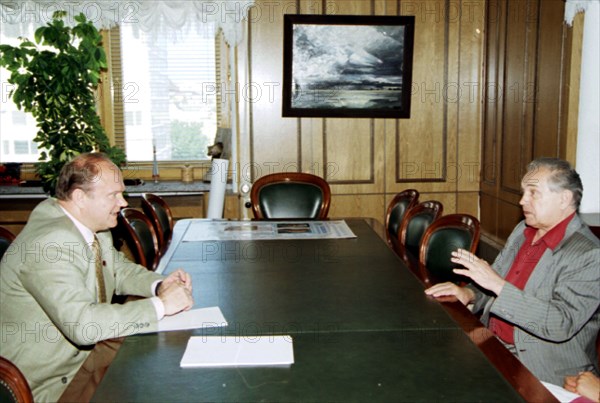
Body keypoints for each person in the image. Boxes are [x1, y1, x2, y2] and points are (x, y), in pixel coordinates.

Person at [0, 152, 194, 401]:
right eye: (113, 195)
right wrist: (162, 305)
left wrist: (159, 285)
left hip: (86, 360)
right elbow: (83, 325)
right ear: (80, 197)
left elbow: (119, 269)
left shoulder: (90, 226)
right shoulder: (49, 244)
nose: (123, 203)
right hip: (46, 386)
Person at [425, 157, 600, 385]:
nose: (522, 201)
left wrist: (497, 284)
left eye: (533, 193)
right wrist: (469, 294)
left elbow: (560, 324)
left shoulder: (588, 254)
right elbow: (492, 280)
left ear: (564, 199)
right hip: (493, 344)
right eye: (523, 192)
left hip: (546, 370)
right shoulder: (523, 231)